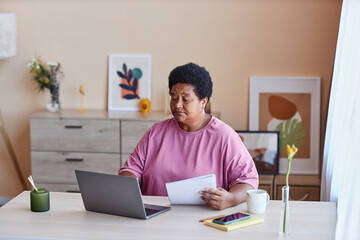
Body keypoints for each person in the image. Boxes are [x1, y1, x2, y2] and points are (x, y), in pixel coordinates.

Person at [119, 62, 258, 210]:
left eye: (185, 99)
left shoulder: (225, 136)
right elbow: (131, 170)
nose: (177, 105)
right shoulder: (155, 133)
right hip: (153, 216)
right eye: (173, 98)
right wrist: (128, 190)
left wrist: (232, 198)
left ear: (203, 102)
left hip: (203, 220)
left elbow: (247, 180)